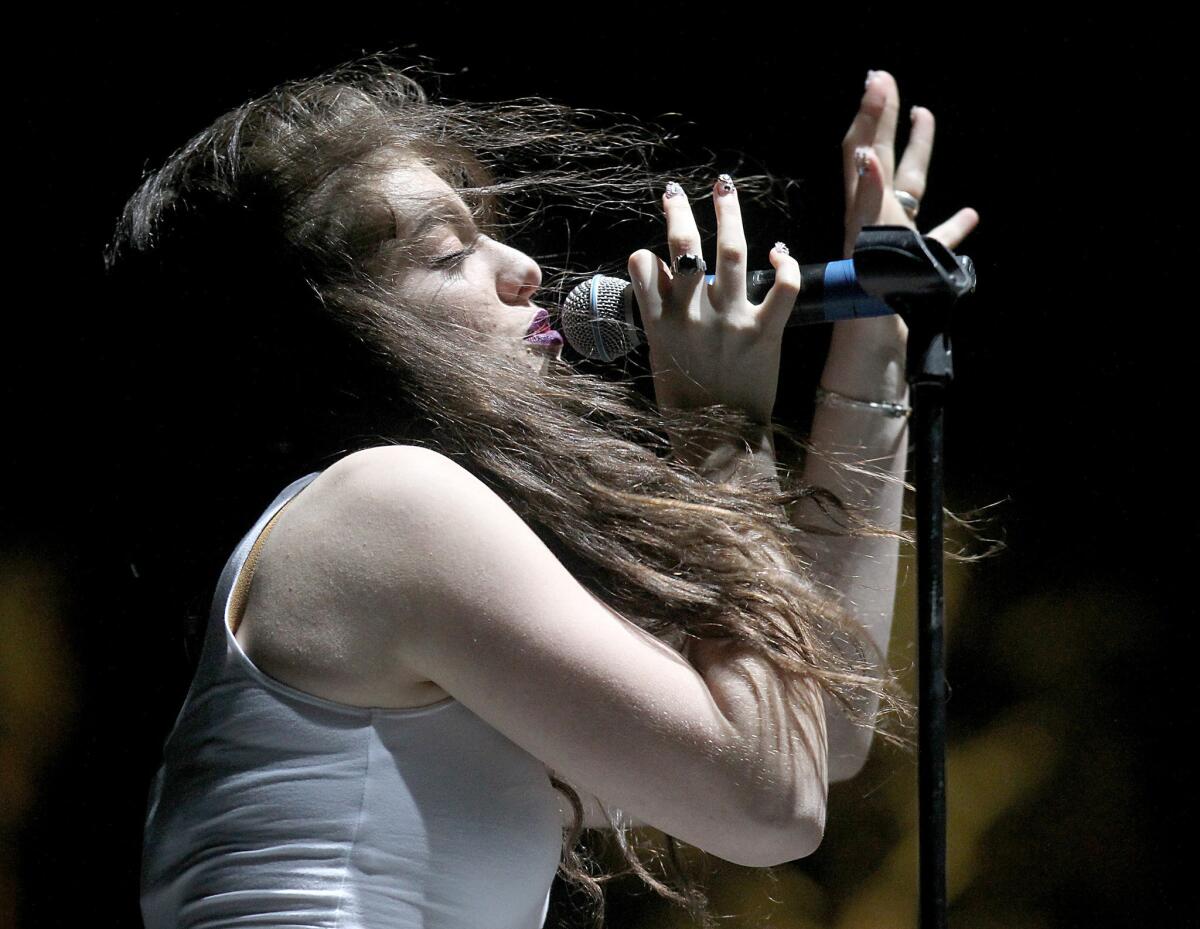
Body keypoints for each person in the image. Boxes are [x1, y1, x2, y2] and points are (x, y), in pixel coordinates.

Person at [105, 56, 978, 929]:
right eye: (449, 253)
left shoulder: (389, 554)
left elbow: (813, 737)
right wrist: (719, 432)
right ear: (327, 345)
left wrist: (875, 334)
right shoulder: (383, 504)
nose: (524, 267)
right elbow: (771, 801)